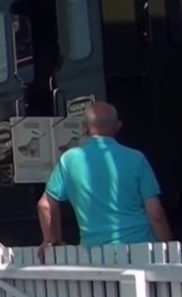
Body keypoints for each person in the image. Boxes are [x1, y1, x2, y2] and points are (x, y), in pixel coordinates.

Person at [37, 102, 172, 262]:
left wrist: (53, 239)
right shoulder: (136, 158)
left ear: (84, 127)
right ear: (118, 126)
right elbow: (156, 214)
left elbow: (45, 205)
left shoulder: (69, 160)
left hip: (96, 257)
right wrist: (167, 247)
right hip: (141, 252)